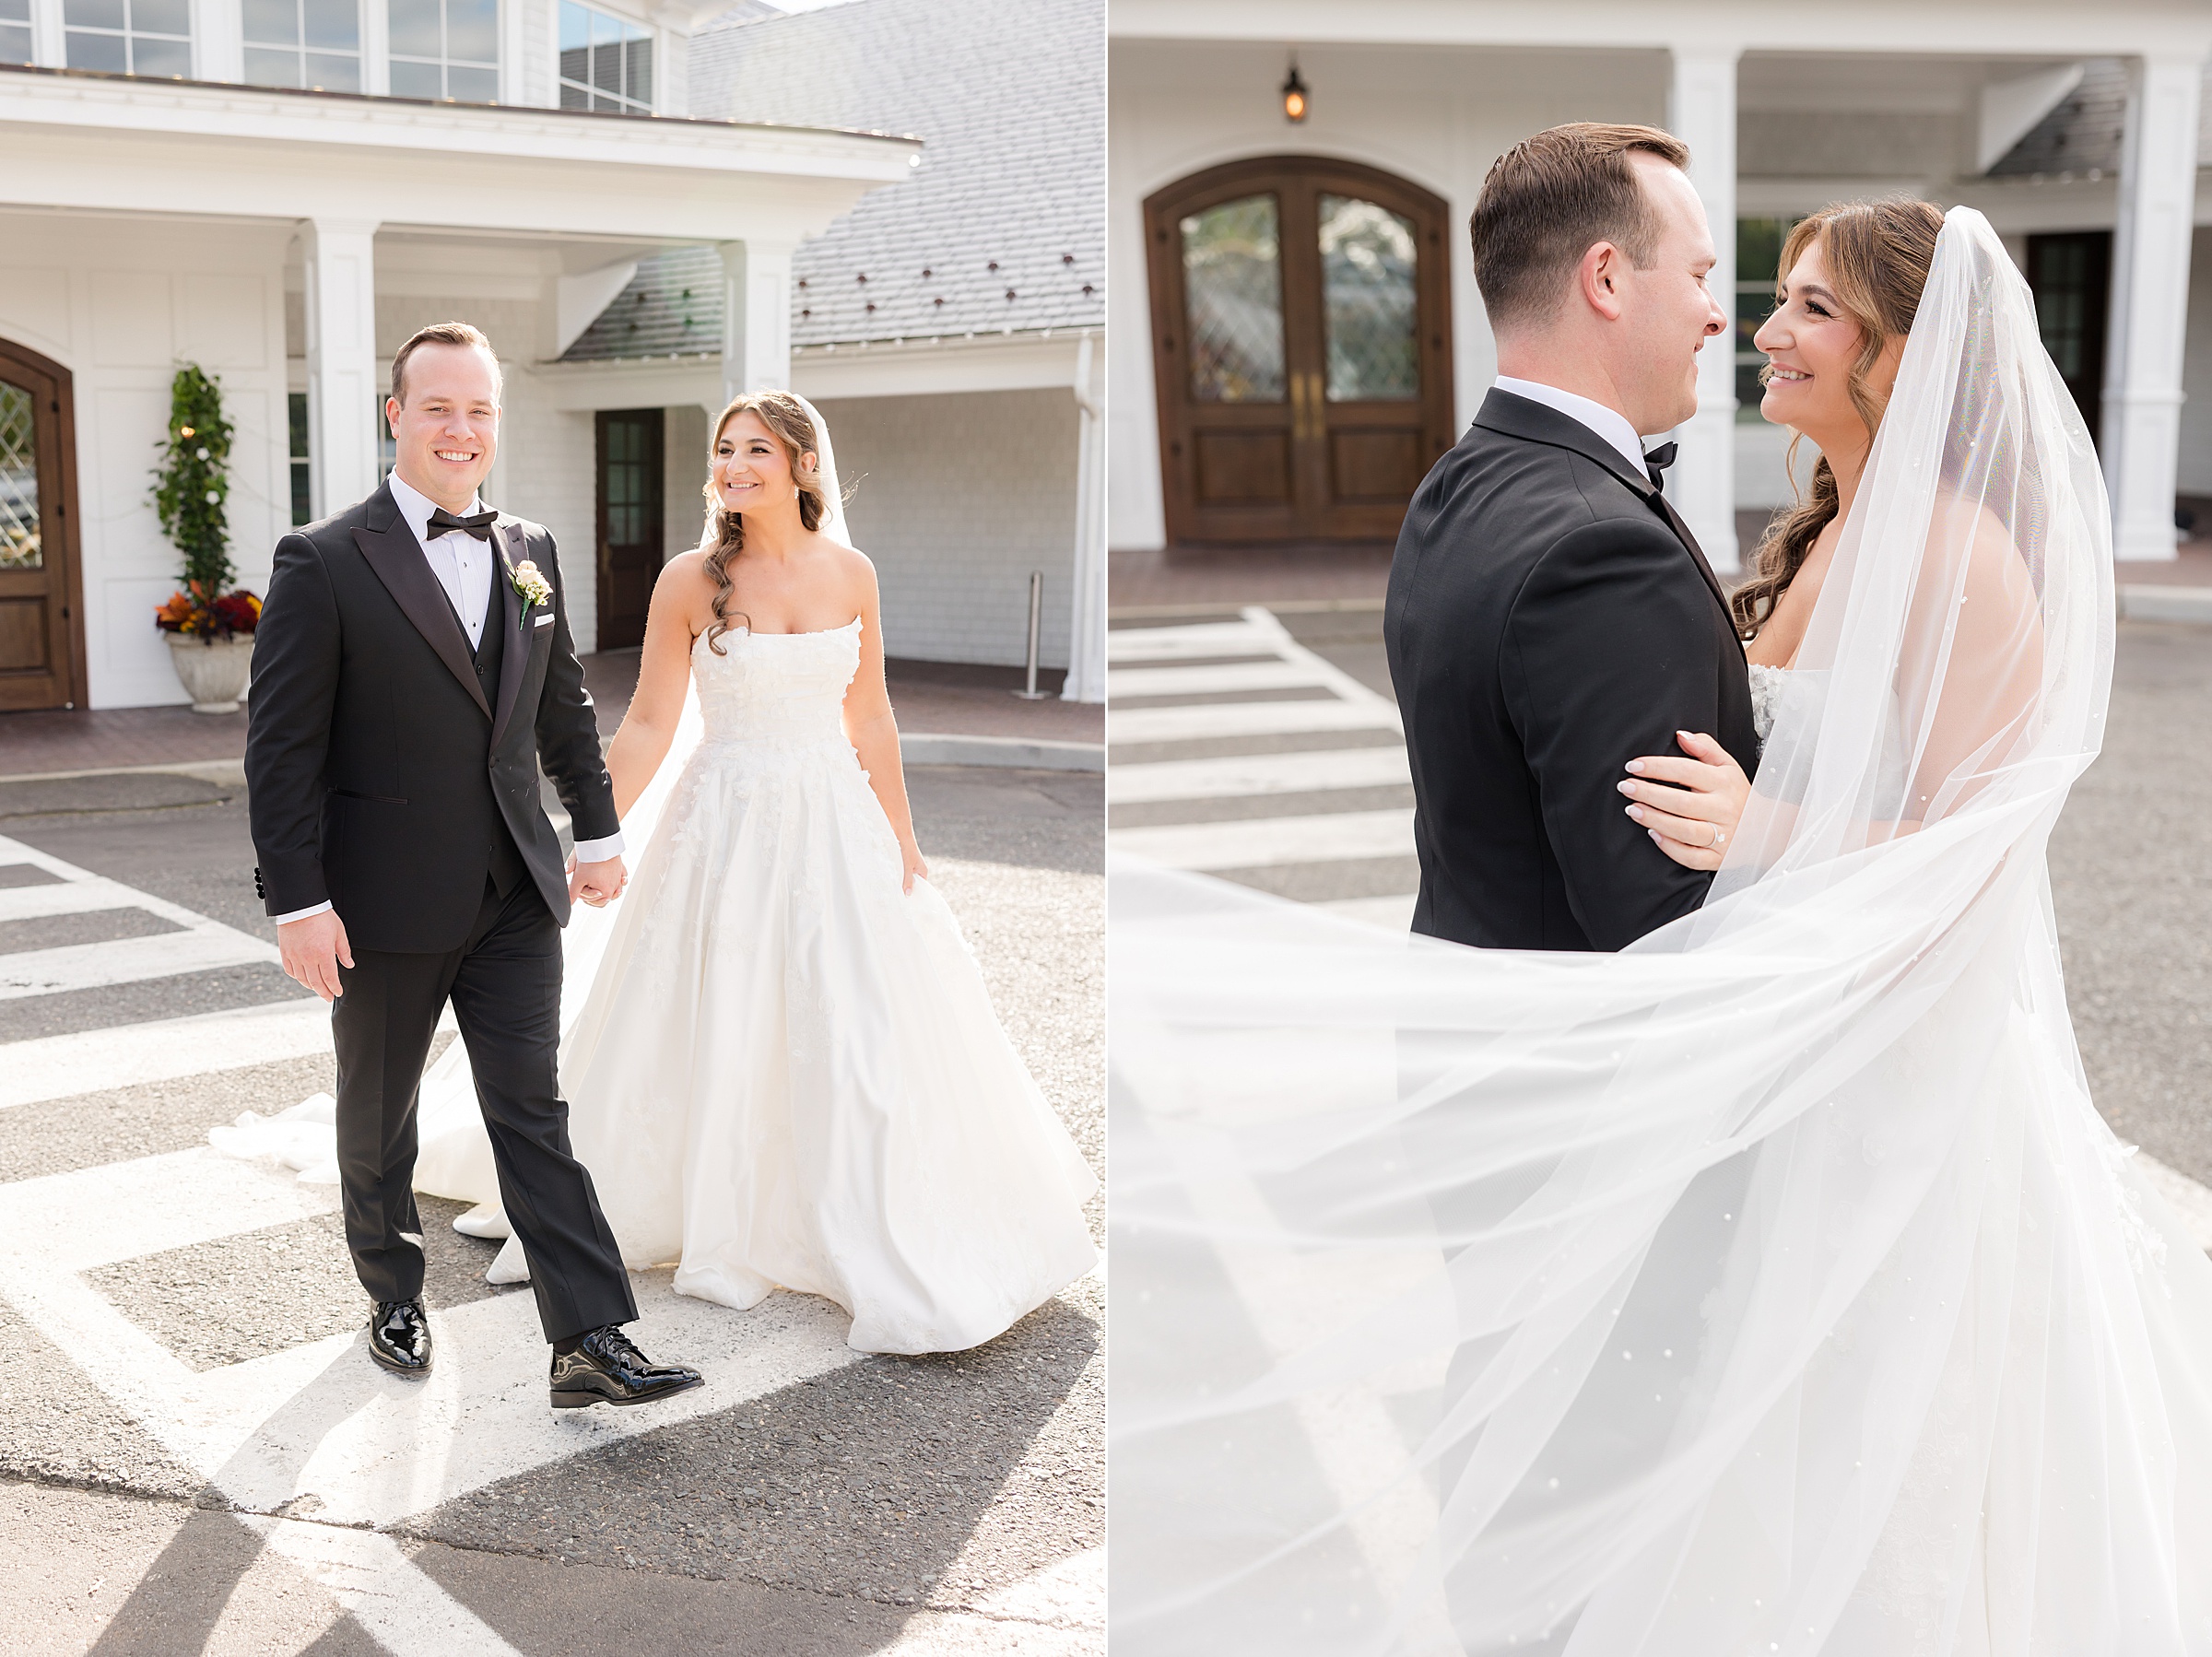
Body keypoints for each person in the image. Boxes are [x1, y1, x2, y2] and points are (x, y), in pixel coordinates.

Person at [1110, 198, 2212, 1651]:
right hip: (1798, 1055)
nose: (1763, 325)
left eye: (1813, 308)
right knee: (1751, 1428)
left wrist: (1774, 835)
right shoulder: (1823, 528)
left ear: (1906, 347)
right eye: (1762, 294)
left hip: (1905, 1085)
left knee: (1883, 1428)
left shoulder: (1964, 559)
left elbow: (1982, 861)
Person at [244, 321, 701, 1411]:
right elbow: (281, 751)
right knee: (380, 1107)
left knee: (532, 1110)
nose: (461, 428)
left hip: (512, 892)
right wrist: (298, 901)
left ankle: (587, 1335)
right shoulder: (323, 558)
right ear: (395, 416)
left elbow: (562, 707)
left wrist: (596, 832)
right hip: (379, 901)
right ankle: (393, 1292)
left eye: (480, 409)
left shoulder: (530, 549)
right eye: (439, 407)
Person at [1384, 123, 1753, 953]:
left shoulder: (1455, 484)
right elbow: (1664, 924)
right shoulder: (1605, 556)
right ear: (1608, 278)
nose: (1716, 315)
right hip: (1582, 1070)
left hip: (1465, 1030)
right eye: (1698, 274)